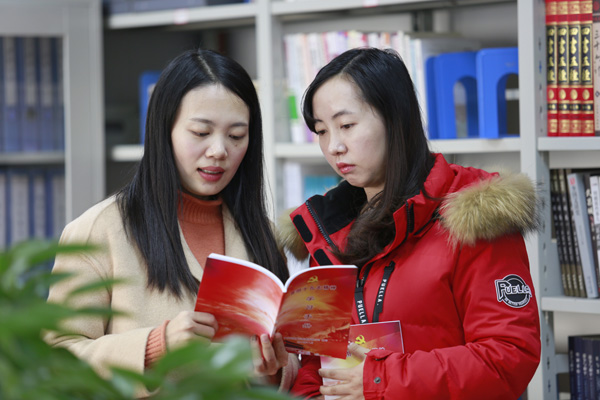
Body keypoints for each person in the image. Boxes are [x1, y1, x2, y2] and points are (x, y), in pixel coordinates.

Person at [278, 47, 541, 399]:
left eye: (346, 126)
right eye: (322, 131)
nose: (334, 146)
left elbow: (508, 357)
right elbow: (316, 361)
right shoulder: (325, 230)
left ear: (395, 119)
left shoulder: (474, 214)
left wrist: (380, 380)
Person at [44, 48, 298, 396]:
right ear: (164, 131)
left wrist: (271, 372)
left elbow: (287, 362)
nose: (219, 150)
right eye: (201, 132)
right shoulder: (99, 231)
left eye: (237, 136)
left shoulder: (263, 233)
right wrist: (154, 347)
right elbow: (56, 360)